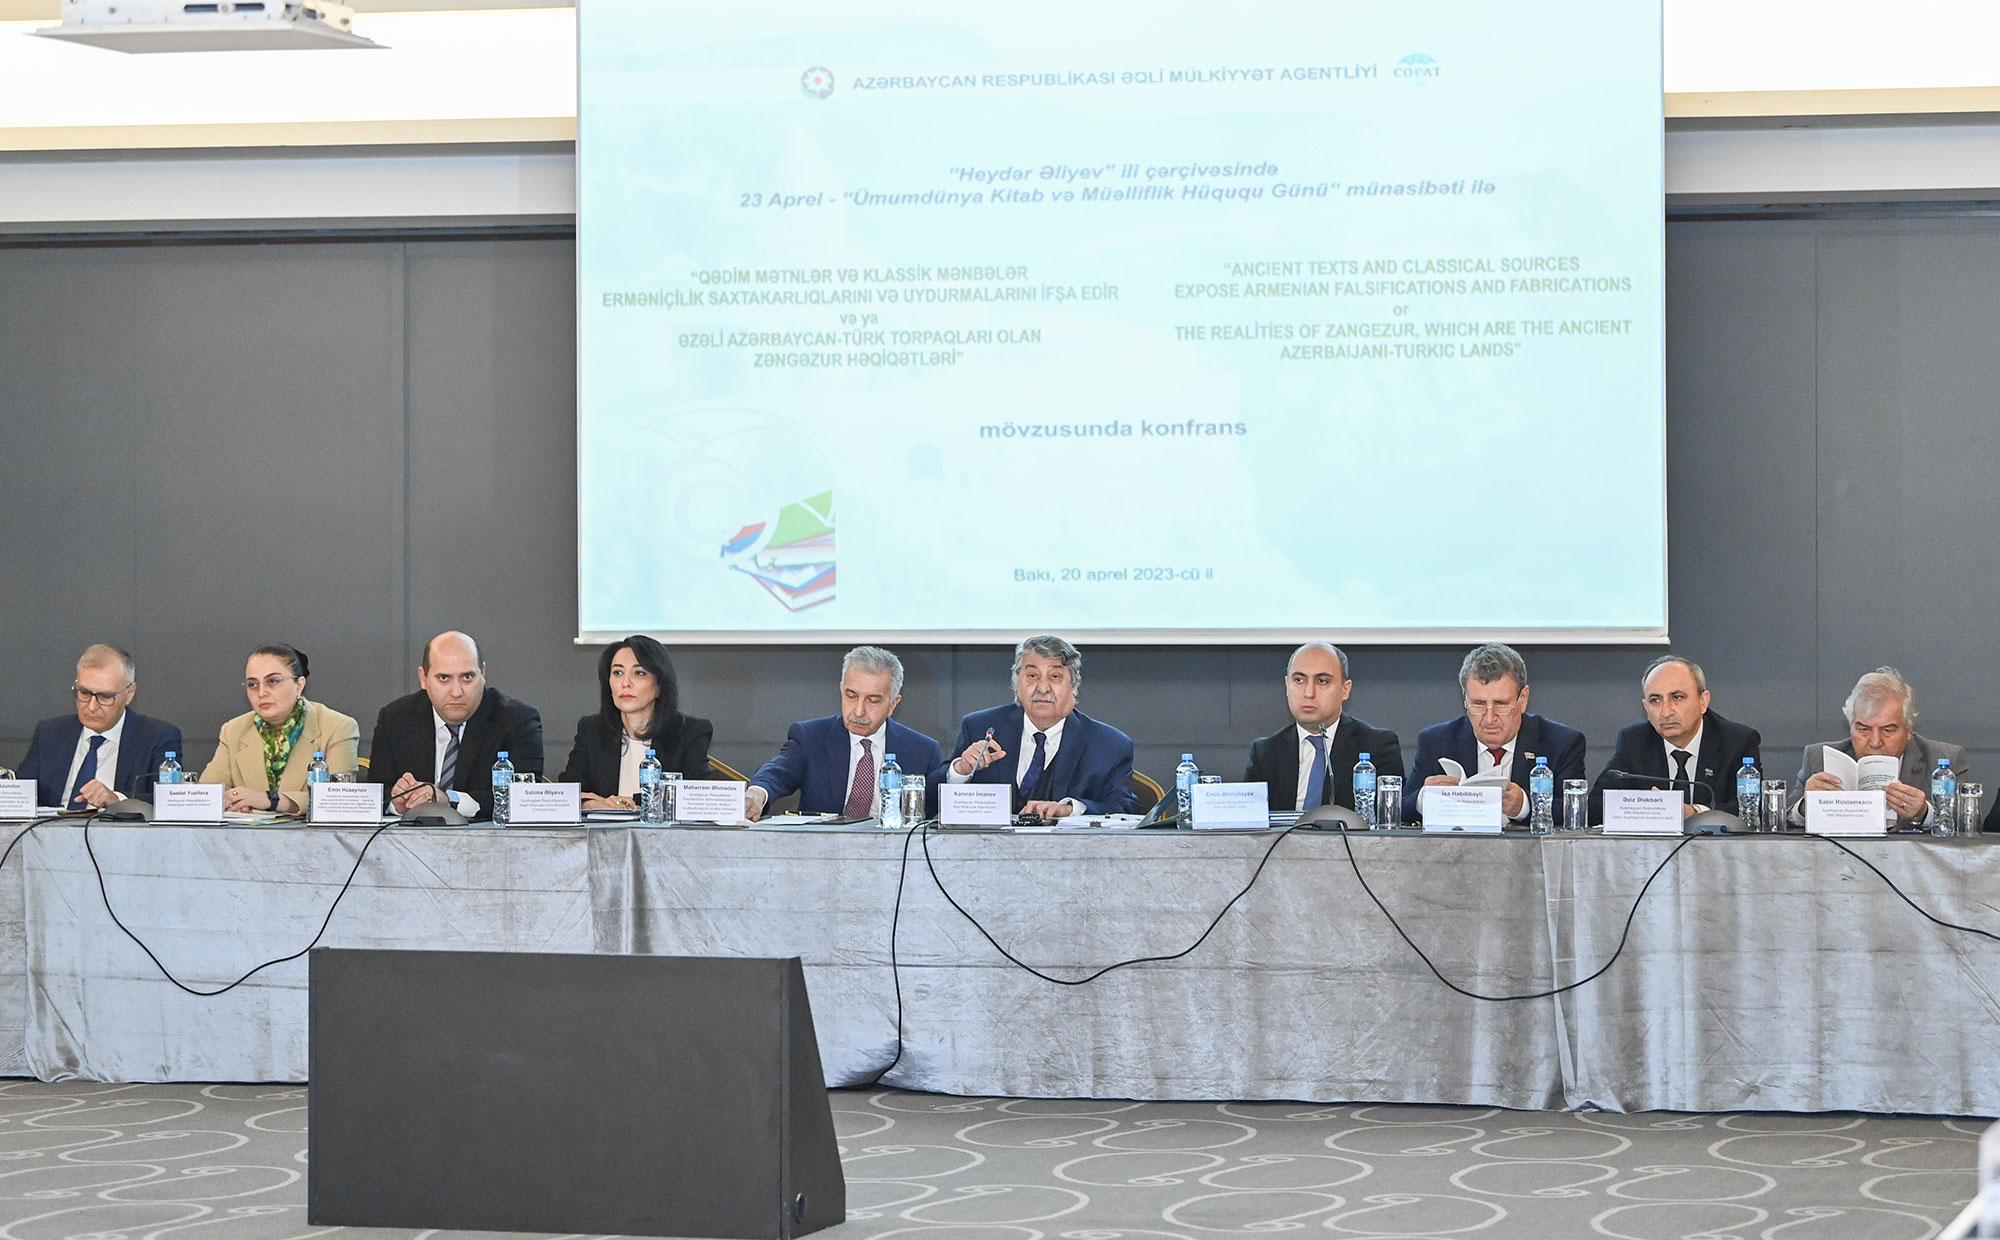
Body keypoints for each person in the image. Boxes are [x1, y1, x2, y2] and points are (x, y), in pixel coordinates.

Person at [945, 634, 1137, 818]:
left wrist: (1070, 810)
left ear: (1073, 687)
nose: (1043, 688)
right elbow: (932, 799)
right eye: (1032, 675)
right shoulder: (980, 727)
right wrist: (961, 770)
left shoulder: (1109, 745)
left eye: (1055, 677)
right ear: (1016, 684)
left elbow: (1125, 807)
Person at [745, 646, 943, 821]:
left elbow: (930, 813)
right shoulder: (811, 737)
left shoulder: (922, 750)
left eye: (873, 700)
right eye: (851, 695)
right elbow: (778, 772)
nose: (859, 711)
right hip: (823, 847)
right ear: (841, 690)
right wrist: (757, 794)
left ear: (893, 704)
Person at [1403, 642, 1587, 825]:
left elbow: (1578, 810)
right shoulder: (1436, 741)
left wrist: (1525, 806)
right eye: (1478, 704)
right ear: (1464, 696)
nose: (1489, 718)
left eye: (1501, 704)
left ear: (1523, 699)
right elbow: (1402, 807)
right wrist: (1423, 799)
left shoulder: (1561, 743)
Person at [368, 631, 545, 820]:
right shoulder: (395, 718)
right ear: (423, 678)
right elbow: (377, 792)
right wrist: (396, 802)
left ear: (483, 674)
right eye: (444, 678)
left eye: (467, 677)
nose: (456, 692)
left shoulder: (517, 720)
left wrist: (450, 800)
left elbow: (524, 797)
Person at [1588, 655, 1762, 822]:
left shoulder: (1737, 741)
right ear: (1645, 707)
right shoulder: (1634, 741)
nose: (1666, 712)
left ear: (1703, 701)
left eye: (1677, 697)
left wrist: (1696, 812)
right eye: (1655, 700)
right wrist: (1646, 808)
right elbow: (1596, 808)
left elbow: (1753, 808)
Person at [1792, 667, 1964, 830]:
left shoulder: (1945, 758)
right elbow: (1784, 817)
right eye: (1863, 729)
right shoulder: (1819, 757)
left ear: (1908, 731)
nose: (1875, 742)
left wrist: (1925, 813)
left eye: (1887, 730)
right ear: (1850, 726)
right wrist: (1806, 806)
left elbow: (1966, 823)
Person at [16, 644, 183, 810]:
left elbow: (169, 799)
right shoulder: (50, 733)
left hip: (117, 827)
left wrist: (116, 800)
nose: (91, 707)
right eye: (84, 693)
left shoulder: (157, 737)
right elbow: (19, 794)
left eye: (105, 696)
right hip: (53, 826)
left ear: (129, 694)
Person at [1243, 641, 1404, 813]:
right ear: (1287, 686)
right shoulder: (1265, 752)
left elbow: (1390, 817)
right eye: (1299, 680)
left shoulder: (1377, 746)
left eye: (1322, 681)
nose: (1309, 693)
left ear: (1345, 689)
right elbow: (1247, 819)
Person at [199, 644, 359, 814]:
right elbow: (208, 793)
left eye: (272, 681)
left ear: (299, 685)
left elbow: (338, 797)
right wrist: (233, 801)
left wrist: (271, 801)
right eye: (252, 684)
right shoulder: (234, 730)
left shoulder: (338, 727)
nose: (261, 693)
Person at [557, 634, 712, 809]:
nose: (626, 683)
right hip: (602, 827)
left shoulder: (689, 731)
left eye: (639, 673)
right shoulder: (591, 730)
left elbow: (697, 800)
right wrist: (593, 805)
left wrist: (630, 805)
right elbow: (568, 793)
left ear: (660, 685)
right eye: (618, 673)